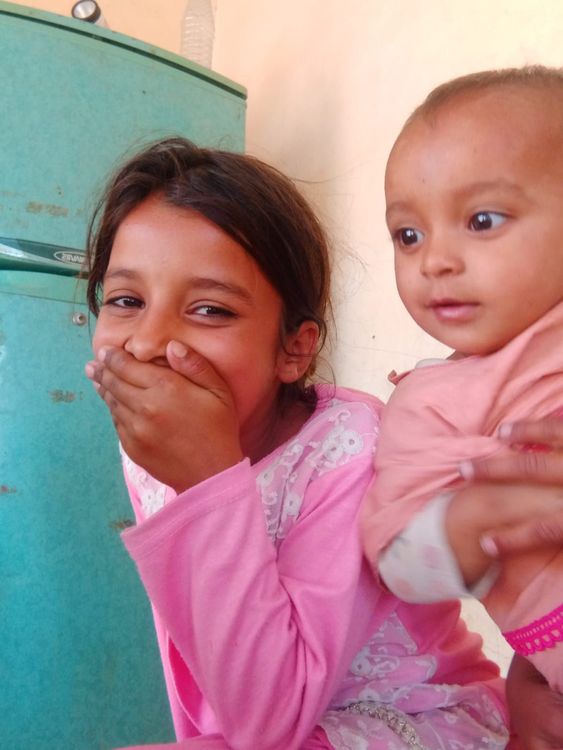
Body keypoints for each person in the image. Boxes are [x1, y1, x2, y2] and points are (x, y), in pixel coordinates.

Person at [84, 137, 561, 750]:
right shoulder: (152, 447)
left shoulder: (349, 451)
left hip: (417, 721)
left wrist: (206, 479)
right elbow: (205, 651)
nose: (149, 343)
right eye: (126, 301)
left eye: (209, 310)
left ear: (295, 349)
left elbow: (268, 721)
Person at [361, 65, 563, 697]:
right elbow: (398, 563)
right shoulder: (430, 400)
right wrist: (473, 518)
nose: (436, 261)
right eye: (408, 235)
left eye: (482, 221)